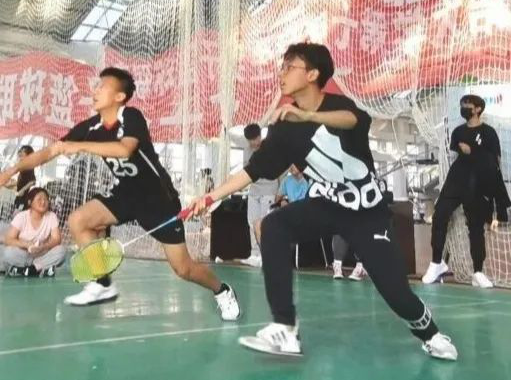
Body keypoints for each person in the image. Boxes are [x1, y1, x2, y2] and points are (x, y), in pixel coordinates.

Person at [190, 43, 456, 360]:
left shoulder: (338, 106)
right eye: (282, 67)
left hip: (366, 213)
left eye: (290, 67)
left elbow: (352, 120)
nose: (281, 73)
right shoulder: (284, 127)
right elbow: (252, 170)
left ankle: (431, 333)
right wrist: (210, 197)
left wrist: (308, 116)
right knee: (273, 226)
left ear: (313, 74)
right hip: (327, 206)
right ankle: (285, 328)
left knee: (396, 294)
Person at [0, 67, 240, 320]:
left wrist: (78, 146)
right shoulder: (91, 126)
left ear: (119, 96)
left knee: (183, 269)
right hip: (125, 193)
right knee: (78, 221)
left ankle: (222, 290)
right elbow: (50, 151)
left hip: (157, 199)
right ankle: (102, 283)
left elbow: (125, 149)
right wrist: (10, 171)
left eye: (102, 86)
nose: (95, 90)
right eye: (96, 86)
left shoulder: (131, 116)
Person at [422, 95, 502, 289]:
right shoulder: (458, 132)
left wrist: (473, 152)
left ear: (478, 109)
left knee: (475, 227)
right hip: (456, 179)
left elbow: (494, 161)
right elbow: (457, 153)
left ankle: (478, 272)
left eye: (467, 104)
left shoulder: (489, 133)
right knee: (440, 216)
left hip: (478, 183)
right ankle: (436, 263)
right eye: (462, 104)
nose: (463, 107)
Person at [240, 123, 280, 267]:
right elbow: (246, 170)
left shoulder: (270, 148)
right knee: (252, 223)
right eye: (250, 140)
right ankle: (255, 254)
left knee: (265, 225)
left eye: (256, 139)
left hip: (269, 190)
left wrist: (279, 190)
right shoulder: (247, 150)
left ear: (260, 136)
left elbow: (279, 170)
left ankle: (266, 255)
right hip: (253, 192)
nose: (254, 142)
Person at [3, 187, 67, 277]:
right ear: (30, 202)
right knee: (8, 253)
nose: (43, 202)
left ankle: (30, 269)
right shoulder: (21, 217)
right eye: (39, 199)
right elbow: (8, 239)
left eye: (46, 199)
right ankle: (39, 268)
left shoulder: (51, 216)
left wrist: (43, 247)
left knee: (61, 251)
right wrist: (26, 245)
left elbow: (56, 239)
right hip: (23, 254)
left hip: (41, 254)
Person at [5, 145, 37, 210]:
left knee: (18, 214)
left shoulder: (28, 166)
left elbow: (33, 181)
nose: (21, 153)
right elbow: (20, 184)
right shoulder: (23, 168)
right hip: (20, 198)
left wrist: (22, 190)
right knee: (17, 214)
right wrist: (5, 184)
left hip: (23, 199)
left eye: (23, 151)